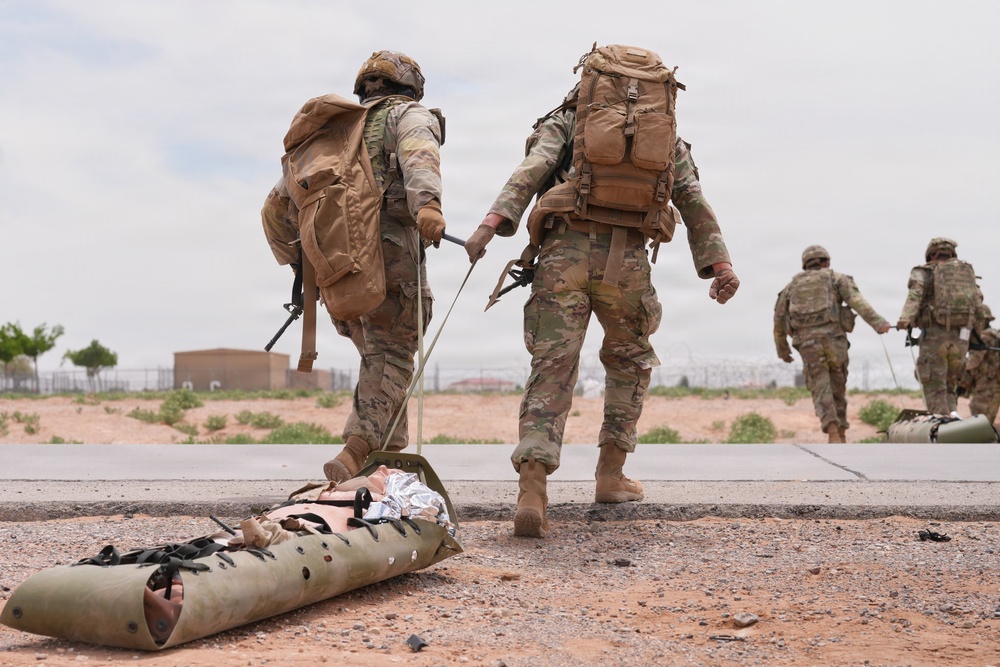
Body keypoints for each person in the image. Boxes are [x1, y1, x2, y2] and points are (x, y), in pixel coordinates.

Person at [464, 44, 739, 538]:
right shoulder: (666, 136)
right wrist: (720, 264)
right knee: (629, 361)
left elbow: (528, 174)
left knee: (554, 367)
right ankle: (610, 475)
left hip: (564, 256)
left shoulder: (568, 123)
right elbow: (694, 201)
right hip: (629, 262)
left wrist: (491, 225)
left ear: (589, 84)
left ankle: (533, 486)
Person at [316, 50, 447, 481]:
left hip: (335, 264)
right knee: (392, 351)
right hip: (390, 252)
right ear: (410, 85)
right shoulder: (407, 114)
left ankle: (387, 463)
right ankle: (356, 450)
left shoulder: (333, 131)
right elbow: (419, 154)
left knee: (379, 357)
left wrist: (305, 261)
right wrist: (428, 206)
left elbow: (276, 207)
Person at [773, 245, 891, 443]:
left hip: (808, 345)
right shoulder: (836, 278)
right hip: (835, 341)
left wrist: (783, 350)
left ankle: (833, 431)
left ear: (805, 265)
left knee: (821, 387)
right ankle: (841, 433)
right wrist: (879, 324)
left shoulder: (790, 287)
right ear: (826, 262)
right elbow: (858, 302)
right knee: (838, 386)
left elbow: (778, 322)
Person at [897, 237, 986, 415]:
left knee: (934, 387)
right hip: (961, 340)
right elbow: (979, 305)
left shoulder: (924, 272)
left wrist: (904, 320)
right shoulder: (965, 275)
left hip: (934, 339)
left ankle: (941, 426)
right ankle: (952, 422)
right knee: (950, 387)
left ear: (930, 255)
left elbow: (915, 296)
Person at [960, 304, 1000, 426]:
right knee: (987, 420)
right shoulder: (995, 335)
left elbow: (973, 363)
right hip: (994, 385)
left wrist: (958, 370)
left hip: (986, 386)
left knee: (980, 421)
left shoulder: (983, 337)